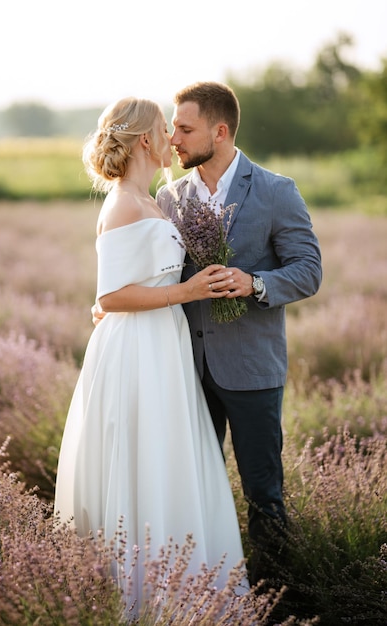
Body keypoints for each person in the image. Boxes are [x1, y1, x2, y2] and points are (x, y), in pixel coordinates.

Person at [54, 96, 247, 615]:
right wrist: (186, 294)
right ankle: (139, 596)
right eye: (166, 129)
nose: (173, 139)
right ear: (145, 140)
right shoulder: (121, 203)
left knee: (166, 456)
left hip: (162, 343)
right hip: (138, 350)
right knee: (143, 455)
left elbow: (119, 290)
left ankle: (180, 589)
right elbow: (113, 296)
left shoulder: (153, 199)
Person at [155, 81, 322, 585]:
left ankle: (276, 595)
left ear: (220, 131)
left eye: (185, 129)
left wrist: (254, 283)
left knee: (263, 492)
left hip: (252, 369)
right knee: (191, 487)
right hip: (186, 367)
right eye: (172, 127)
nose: (173, 138)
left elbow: (308, 270)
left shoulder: (276, 190)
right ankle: (199, 586)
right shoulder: (169, 196)